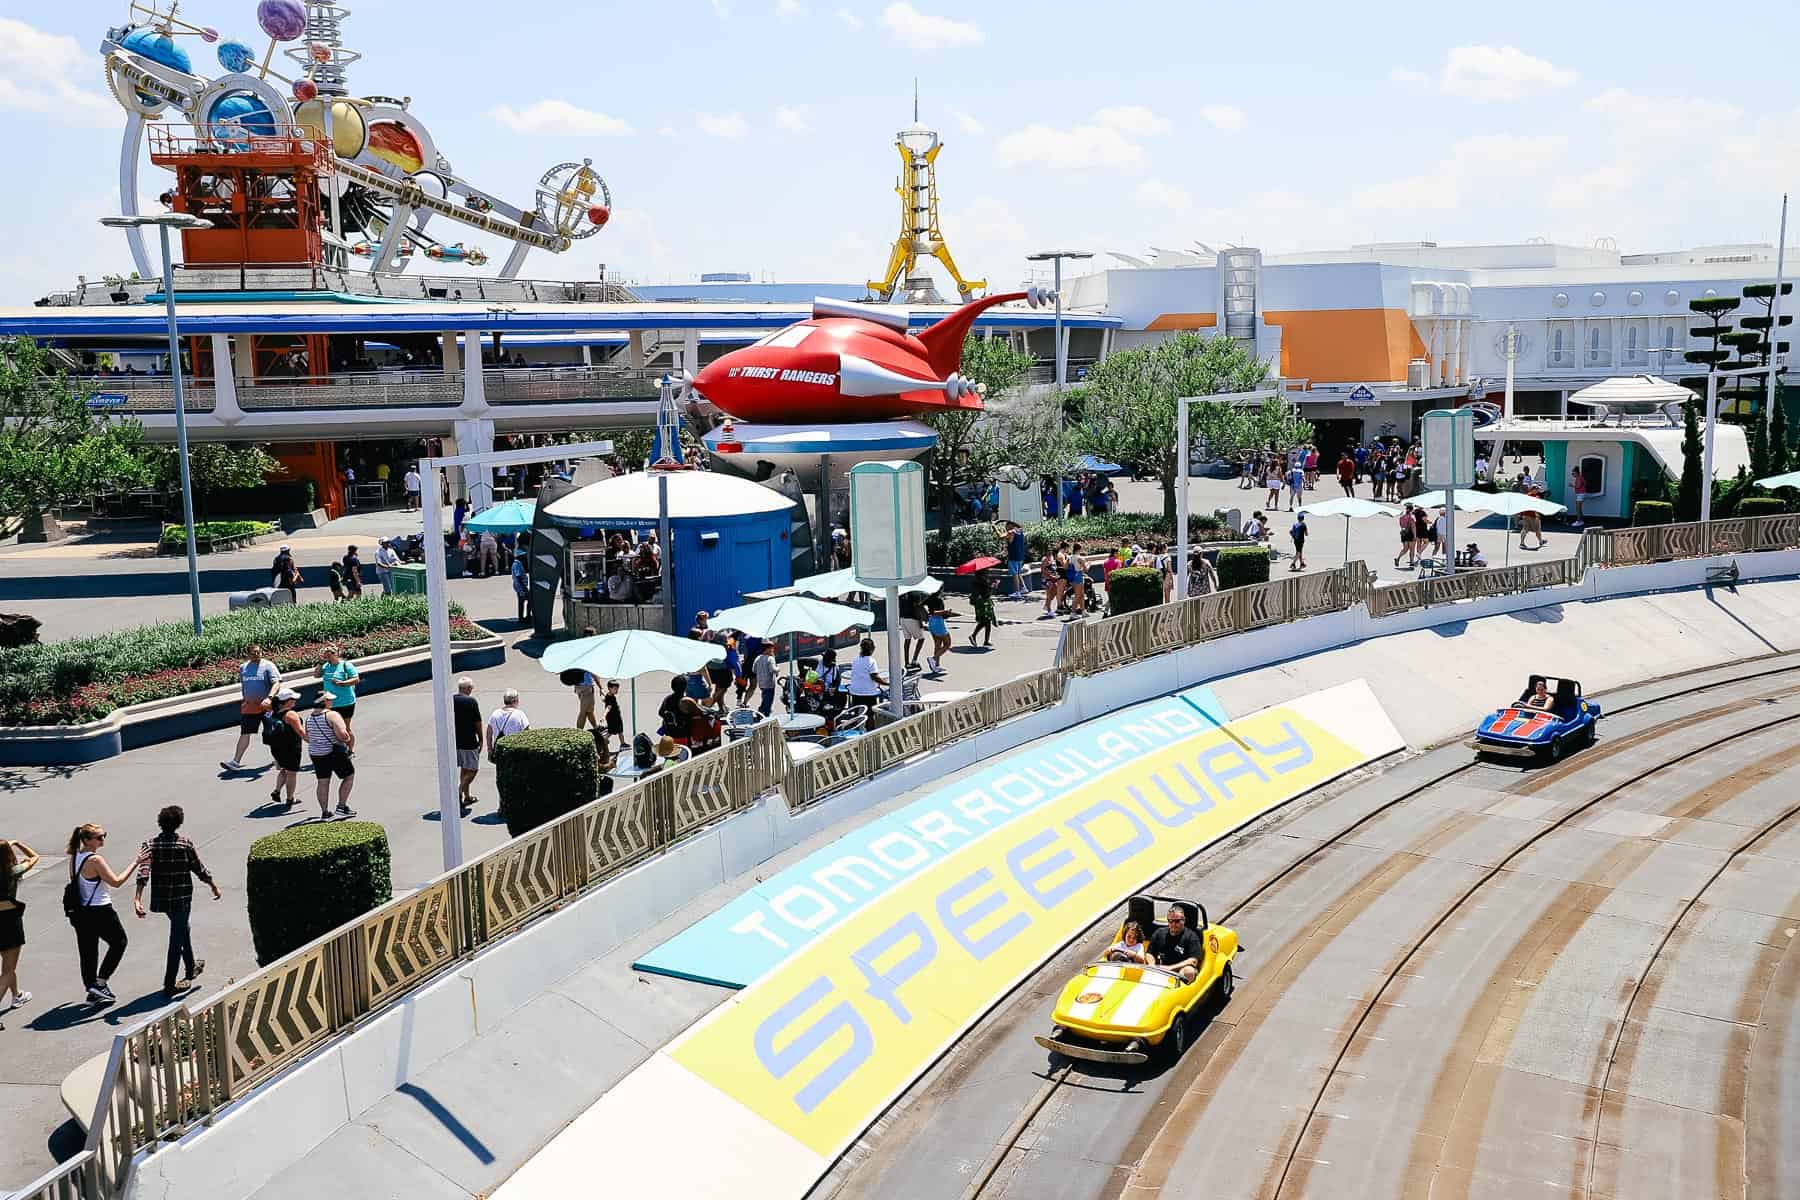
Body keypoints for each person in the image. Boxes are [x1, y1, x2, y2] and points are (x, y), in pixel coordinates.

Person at [133, 806, 220, 998]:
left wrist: (138, 898)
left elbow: (143, 871)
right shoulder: (185, 844)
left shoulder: (149, 845)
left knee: (182, 929)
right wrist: (213, 885)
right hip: (182, 898)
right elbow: (199, 869)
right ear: (179, 823)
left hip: (163, 900)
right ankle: (169, 983)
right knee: (176, 938)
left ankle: (191, 967)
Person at [67, 824, 133, 1005]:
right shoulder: (95, 860)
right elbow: (116, 882)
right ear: (87, 840)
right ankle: (101, 982)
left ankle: (92, 987)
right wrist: (136, 863)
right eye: (99, 837)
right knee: (119, 942)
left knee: (88, 951)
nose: (102, 840)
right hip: (101, 909)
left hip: (81, 911)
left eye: (104, 836)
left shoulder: (74, 857)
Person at [225, 644, 280, 772]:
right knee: (245, 733)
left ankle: (279, 760)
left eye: (259, 652)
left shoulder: (268, 666)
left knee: (271, 734)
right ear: (248, 654)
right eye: (254, 652)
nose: (257, 654)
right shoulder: (243, 667)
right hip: (249, 708)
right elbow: (245, 686)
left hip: (267, 708)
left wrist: (269, 697)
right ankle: (235, 762)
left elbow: (276, 683)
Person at [1, 837, 40, 1012]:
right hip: (9, 920)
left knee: (7, 965)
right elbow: (34, 857)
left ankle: (17, 996)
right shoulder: (13, 871)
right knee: (8, 969)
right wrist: (17, 844)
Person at [304, 693, 357, 820]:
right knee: (349, 776)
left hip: (316, 754)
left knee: (323, 782)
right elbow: (343, 735)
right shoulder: (332, 715)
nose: (332, 702)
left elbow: (308, 736)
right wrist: (347, 739)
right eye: (330, 700)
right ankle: (341, 807)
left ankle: (325, 812)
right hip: (334, 752)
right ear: (325, 701)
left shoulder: (309, 718)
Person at [1147, 903, 1205, 984]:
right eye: (1170, 921)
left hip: (1180, 971)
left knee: (1189, 971)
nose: (1173, 924)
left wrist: (1170, 968)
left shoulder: (1192, 936)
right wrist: (1152, 965)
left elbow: (1193, 961)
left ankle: (1181, 993)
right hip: (1161, 970)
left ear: (1184, 920)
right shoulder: (1159, 933)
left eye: (1177, 921)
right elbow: (1149, 953)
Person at [267, 689, 304, 808]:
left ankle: (277, 791)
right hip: (291, 748)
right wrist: (314, 742)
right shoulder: (291, 714)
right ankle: (290, 798)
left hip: (277, 748)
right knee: (292, 774)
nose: (295, 701)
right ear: (287, 701)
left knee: (284, 770)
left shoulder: (274, 712)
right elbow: (300, 731)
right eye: (293, 699)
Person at [453, 677, 482, 812]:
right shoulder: (471, 701)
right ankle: (459, 790)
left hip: (455, 741)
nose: (471, 690)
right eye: (470, 688)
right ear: (467, 688)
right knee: (473, 769)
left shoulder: (451, 700)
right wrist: (481, 739)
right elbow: (478, 722)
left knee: (464, 768)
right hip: (469, 741)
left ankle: (467, 796)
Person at [320, 644, 360, 728]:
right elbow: (316, 675)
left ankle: (349, 741)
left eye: (329, 655)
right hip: (330, 703)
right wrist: (319, 663)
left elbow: (356, 679)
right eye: (326, 656)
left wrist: (341, 683)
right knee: (333, 729)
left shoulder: (346, 665)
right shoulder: (325, 666)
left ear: (336, 654)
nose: (328, 658)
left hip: (345, 702)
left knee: (345, 728)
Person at [847, 637, 887, 706]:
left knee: (857, 713)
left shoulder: (855, 659)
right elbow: (874, 677)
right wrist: (887, 683)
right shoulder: (871, 661)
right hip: (868, 693)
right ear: (872, 649)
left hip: (854, 692)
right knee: (870, 714)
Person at [968, 568, 996, 647]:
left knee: (986, 622)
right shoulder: (983, 581)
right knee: (986, 621)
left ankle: (985, 640)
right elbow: (987, 594)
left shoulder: (976, 580)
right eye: (987, 571)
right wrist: (994, 586)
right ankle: (974, 636)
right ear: (983, 572)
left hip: (979, 604)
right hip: (983, 604)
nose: (988, 572)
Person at [925, 592, 952, 674]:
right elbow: (935, 612)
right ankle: (933, 659)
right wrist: (945, 611)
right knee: (947, 644)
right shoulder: (939, 600)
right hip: (938, 622)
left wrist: (946, 613)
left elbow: (930, 612)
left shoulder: (928, 599)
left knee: (938, 643)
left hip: (931, 621)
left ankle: (936, 665)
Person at [898, 591, 926, 667]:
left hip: (902, 619)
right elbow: (917, 608)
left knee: (907, 640)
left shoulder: (902, 594)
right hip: (912, 618)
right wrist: (920, 622)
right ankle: (914, 660)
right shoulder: (915, 594)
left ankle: (907, 662)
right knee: (921, 639)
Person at [753, 643, 779, 717]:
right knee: (768, 700)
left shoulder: (758, 658)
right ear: (767, 649)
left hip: (761, 683)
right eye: (771, 648)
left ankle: (760, 711)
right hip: (769, 683)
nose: (773, 650)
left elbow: (754, 670)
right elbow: (773, 670)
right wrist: (778, 669)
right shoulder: (770, 659)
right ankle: (766, 715)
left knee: (765, 698)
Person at [1004, 522, 1027, 599]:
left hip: (1013, 556)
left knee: (1015, 574)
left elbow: (1000, 537)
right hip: (1020, 556)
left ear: (1010, 525)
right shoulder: (1020, 531)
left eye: (1006, 526)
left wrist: (996, 529)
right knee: (1018, 572)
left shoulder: (1011, 532)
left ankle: (1017, 592)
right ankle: (1024, 588)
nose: (1005, 528)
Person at [1038, 547, 1061, 619]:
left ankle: (1046, 605)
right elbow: (1043, 570)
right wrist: (1051, 576)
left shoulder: (1052, 557)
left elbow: (1054, 568)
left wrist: (1056, 575)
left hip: (1054, 578)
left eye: (1051, 551)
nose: (1050, 552)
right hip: (1047, 579)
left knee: (1055, 592)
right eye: (1048, 551)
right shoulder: (1045, 559)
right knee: (1049, 594)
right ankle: (1049, 610)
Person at [603, 679, 625, 752]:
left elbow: (604, 699)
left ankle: (623, 743)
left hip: (617, 717)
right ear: (609, 688)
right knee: (611, 731)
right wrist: (604, 716)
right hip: (613, 718)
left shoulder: (611, 696)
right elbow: (608, 707)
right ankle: (603, 740)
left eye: (617, 689)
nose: (617, 690)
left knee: (620, 730)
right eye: (615, 689)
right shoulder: (609, 698)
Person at [1394, 503, 1417, 569]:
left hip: (1404, 533)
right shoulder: (1412, 517)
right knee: (1412, 549)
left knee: (1405, 548)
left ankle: (1398, 558)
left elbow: (1401, 525)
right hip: (1410, 533)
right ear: (1412, 509)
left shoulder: (1402, 517)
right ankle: (1412, 563)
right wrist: (1415, 536)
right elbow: (1413, 527)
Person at [511, 552, 530, 621]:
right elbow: (518, 576)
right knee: (529, 600)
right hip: (520, 587)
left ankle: (522, 617)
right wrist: (524, 588)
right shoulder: (516, 564)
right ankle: (525, 617)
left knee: (521, 601)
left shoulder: (518, 563)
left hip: (520, 586)